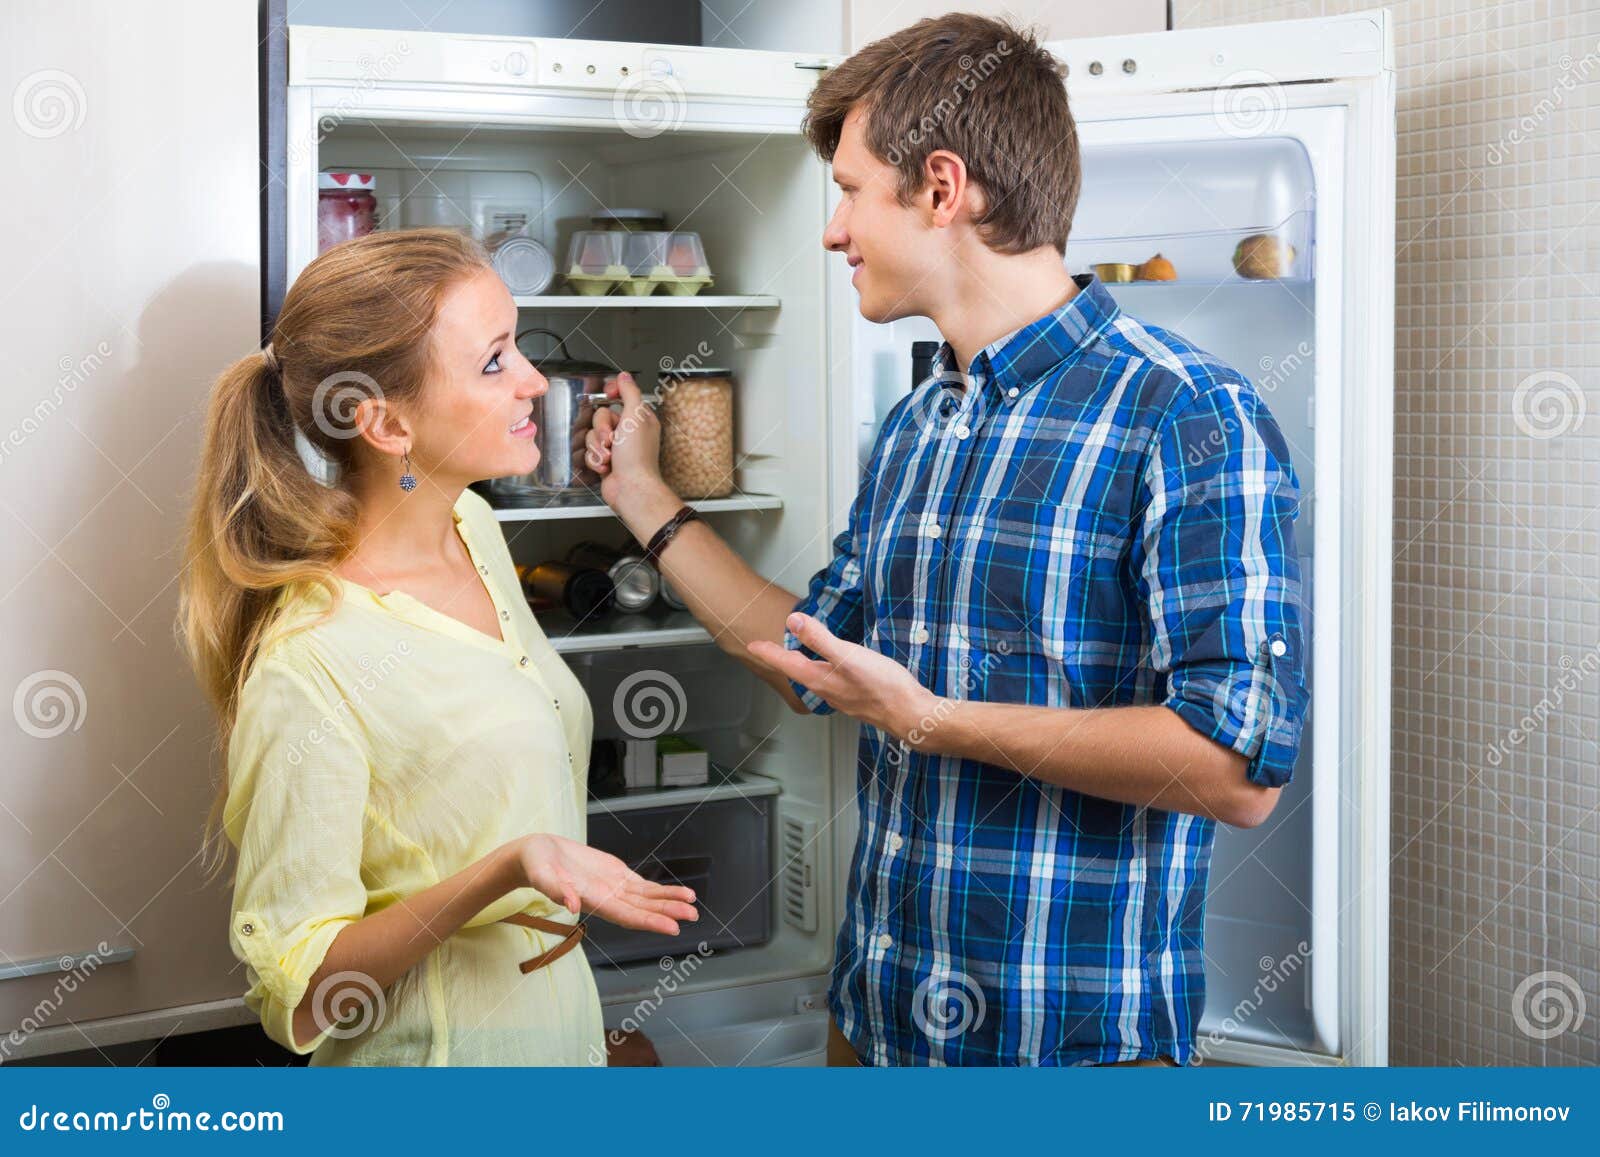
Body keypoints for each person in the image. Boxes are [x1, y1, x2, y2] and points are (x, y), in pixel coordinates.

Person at [584, 13, 1308, 1067]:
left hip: (1065, 1053)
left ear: (939, 186)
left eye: (848, 191)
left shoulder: (1186, 412)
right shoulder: (923, 421)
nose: (832, 231)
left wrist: (933, 719)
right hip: (870, 1022)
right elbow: (811, 656)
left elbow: (1237, 766)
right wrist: (645, 497)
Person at [179, 228, 697, 1066]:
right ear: (386, 423)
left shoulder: (475, 527)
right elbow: (303, 992)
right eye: (494, 362)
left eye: (518, 344)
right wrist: (507, 868)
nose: (534, 380)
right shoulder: (309, 662)